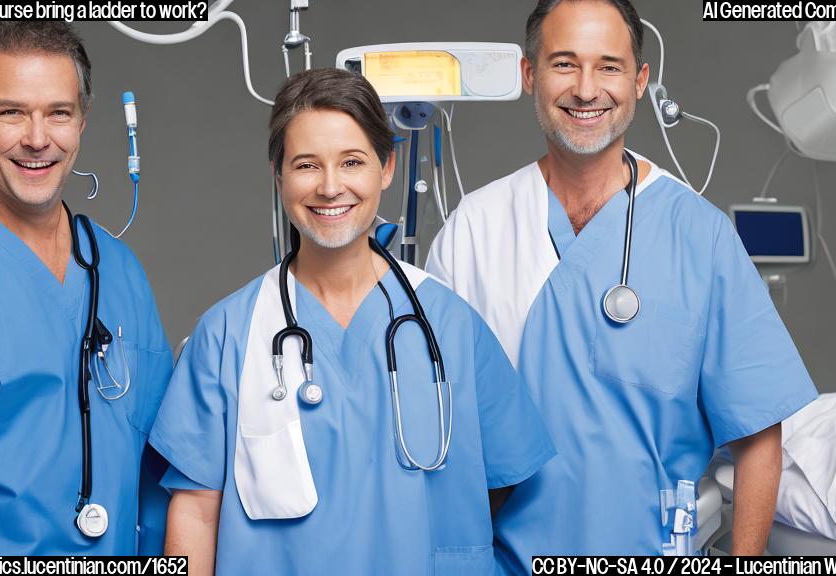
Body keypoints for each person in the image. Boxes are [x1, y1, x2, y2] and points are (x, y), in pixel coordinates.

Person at [426, 0, 818, 564]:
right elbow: (439, 430)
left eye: (608, 67)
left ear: (639, 82)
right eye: (564, 64)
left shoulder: (698, 235)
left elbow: (759, 438)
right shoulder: (475, 228)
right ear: (529, 75)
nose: (586, 89)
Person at [149, 68, 554, 575]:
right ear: (279, 177)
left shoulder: (448, 326)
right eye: (306, 165)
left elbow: (508, 478)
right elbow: (196, 514)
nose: (330, 186)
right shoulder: (228, 333)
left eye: (352, 162)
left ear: (387, 167)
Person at [0, 22, 172, 554]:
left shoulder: (118, 269)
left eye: (58, 112)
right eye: (12, 112)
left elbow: (159, 468)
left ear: (83, 120)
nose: (38, 138)